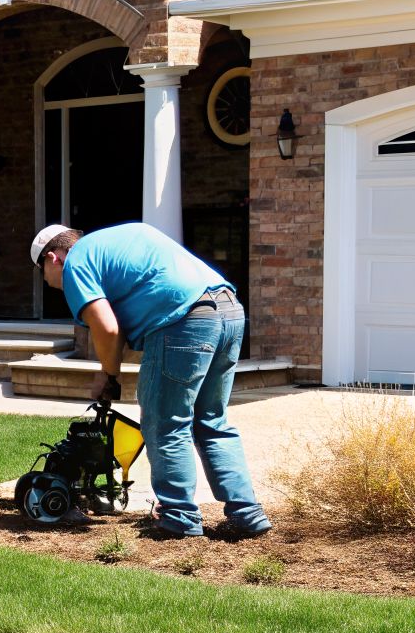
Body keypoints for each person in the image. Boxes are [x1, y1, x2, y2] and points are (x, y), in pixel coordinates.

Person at [31, 222, 271, 539]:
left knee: (165, 422)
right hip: (229, 310)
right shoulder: (119, 239)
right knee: (212, 419)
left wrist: (108, 374)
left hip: (184, 319)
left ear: (52, 258)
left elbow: (107, 328)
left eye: (45, 276)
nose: (51, 285)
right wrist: (112, 373)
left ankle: (179, 519)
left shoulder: (76, 263)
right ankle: (247, 515)